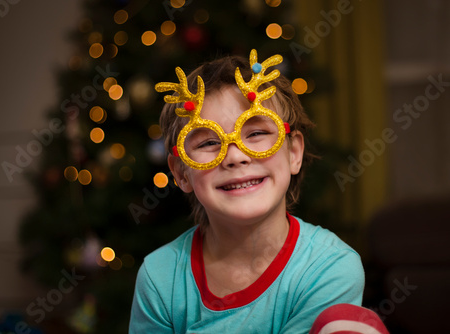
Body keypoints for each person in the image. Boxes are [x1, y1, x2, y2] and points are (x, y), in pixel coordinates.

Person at [129, 50, 365, 333]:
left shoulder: (330, 269)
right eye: (207, 143)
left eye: (255, 134)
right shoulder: (159, 278)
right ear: (181, 173)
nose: (235, 157)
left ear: (294, 153)